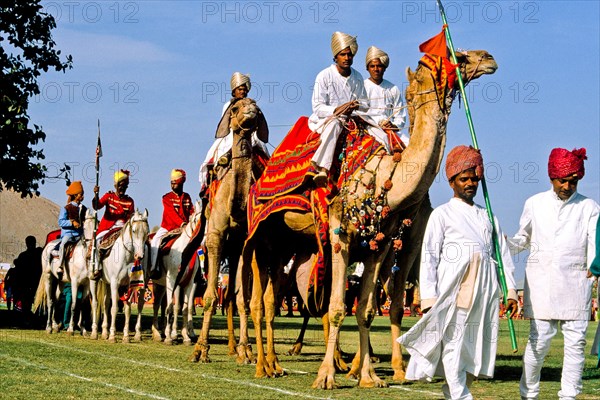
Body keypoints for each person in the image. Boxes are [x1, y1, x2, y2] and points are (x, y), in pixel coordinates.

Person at [398, 145, 518, 400]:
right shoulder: (442, 214)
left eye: (475, 178)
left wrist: (510, 290)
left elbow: (502, 256)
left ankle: (454, 391)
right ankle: (461, 395)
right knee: (453, 344)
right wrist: (428, 298)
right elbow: (428, 257)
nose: (471, 183)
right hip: (456, 290)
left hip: (486, 293)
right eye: (464, 179)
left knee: (475, 349)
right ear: (452, 181)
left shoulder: (489, 216)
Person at [509, 147, 599, 398]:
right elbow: (522, 238)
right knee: (538, 343)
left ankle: (569, 396)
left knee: (576, 345)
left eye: (573, 181)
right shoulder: (534, 203)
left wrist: (594, 266)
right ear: (551, 177)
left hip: (576, 283)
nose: (567, 186)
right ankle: (529, 394)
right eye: (563, 181)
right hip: (541, 286)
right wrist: (503, 245)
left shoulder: (589, 206)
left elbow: (594, 242)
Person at [308, 31, 391, 187]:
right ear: (336, 56)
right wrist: (338, 109)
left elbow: (365, 104)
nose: (347, 58)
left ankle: (386, 172)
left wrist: (357, 105)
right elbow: (318, 107)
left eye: (350, 55)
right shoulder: (324, 76)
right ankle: (322, 168)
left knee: (381, 134)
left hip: (354, 118)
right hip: (330, 119)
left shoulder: (357, 76)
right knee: (334, 126)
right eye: (343, 54)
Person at [198, 72, 269, 194]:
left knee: (265, 162)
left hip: (250, 135)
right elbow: (226, 124)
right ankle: (209, 193)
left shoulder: (251, 104)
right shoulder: (229, 105)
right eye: (240, 89)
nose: (243, 92)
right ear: (234, 90)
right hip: (232, 134)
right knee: (217, 160)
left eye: (245, 89)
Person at [149, 169, 195, 279]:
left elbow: (191, 211)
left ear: (181, 183)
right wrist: (182, 224)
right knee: (155, 241)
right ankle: (154, 268)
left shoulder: (187, 197)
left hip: (186, 228)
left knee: (199, 242)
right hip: (168, 227)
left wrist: (193, 222)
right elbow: (172, 214)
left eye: (175, 183)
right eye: (171, 183)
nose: (173, 185)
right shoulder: (167, 198)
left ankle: (201, 271)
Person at [92, 169, 135, 278]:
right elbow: (97, 206)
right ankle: (97, 268)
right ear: (116, 185)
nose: (123, 188)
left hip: (122, 229)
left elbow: (131, 218)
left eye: (125, 186)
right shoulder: (109, 196)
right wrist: (95, 195)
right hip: (107, 229)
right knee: (96, 242)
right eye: (120, 185)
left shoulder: (130, 201)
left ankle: (135, 271)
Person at [363, 45, 408, 146]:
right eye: (372, 66)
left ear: (384, 68)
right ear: (367, 68)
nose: (376, 69)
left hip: (391, 130)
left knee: (410, 145)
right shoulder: (362, 87)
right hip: (370, 128)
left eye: (379, 66)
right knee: (384, 141)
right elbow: (360, 113)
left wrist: (393, 125)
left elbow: (400, 115)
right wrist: (379, 123)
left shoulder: (393, 89)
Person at [54, 181, 86, 275]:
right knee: (64, 244)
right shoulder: (66, 208)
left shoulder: (84, 208)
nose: (82, 196)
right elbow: (61, 222)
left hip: (80, 234)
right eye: (81, 194)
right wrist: (72, 222)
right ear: (75, 195)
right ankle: (61, 266)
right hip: (69, 234)